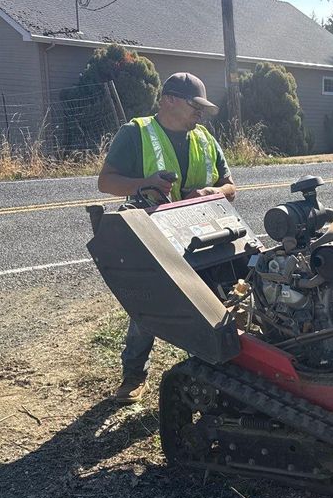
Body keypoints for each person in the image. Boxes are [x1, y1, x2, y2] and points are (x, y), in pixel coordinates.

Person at [97, 72, 238, 404]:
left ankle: (210, 366)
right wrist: (142, 183)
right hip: (152, 236)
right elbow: (106, 182)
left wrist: (214, 191)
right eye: (195, 106)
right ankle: (134, 376)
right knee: (153, 306)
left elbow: (231, 186)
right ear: (169, 100)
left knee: (215, 299)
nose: (200, 114)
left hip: (202, 235)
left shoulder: (204, 138)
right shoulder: (136, 134)